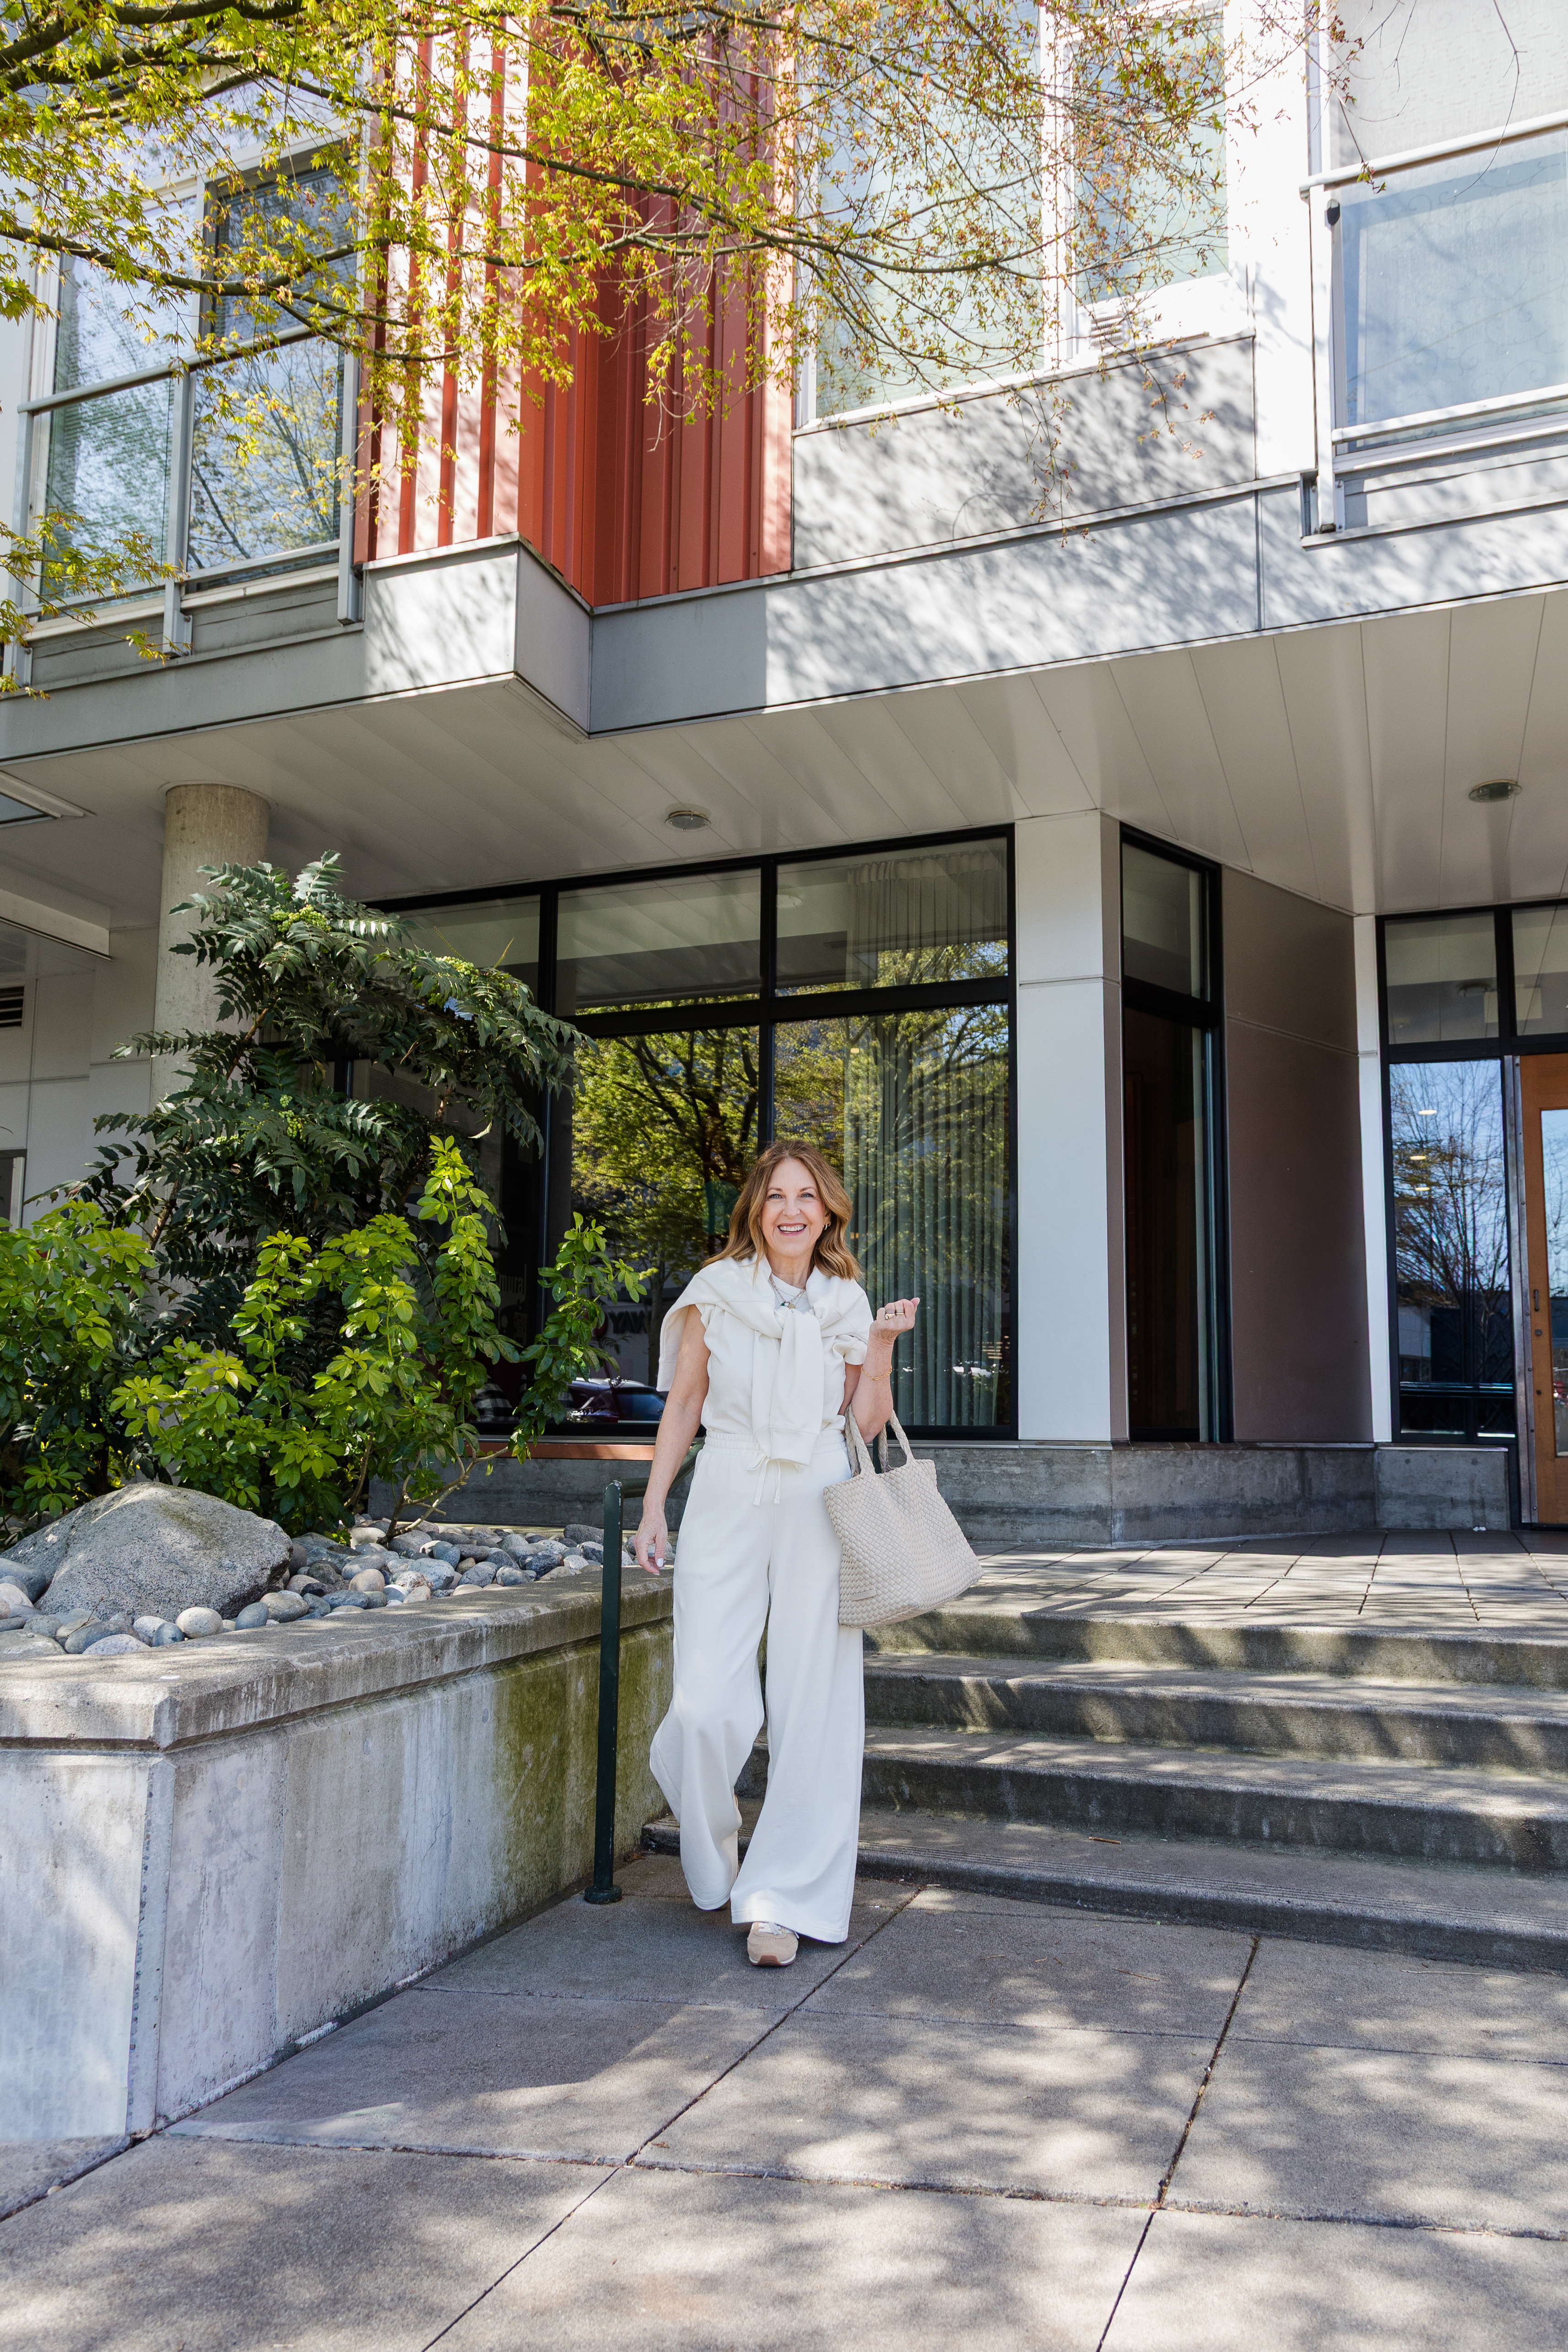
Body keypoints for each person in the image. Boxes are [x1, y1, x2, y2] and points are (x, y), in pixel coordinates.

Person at [633, 1140, 918, 1968]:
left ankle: (783, 1899)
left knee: (814, 1702)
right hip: (726, 1491)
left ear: (827, 1211)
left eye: (806, 1196)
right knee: (703, 1706)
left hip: (816, 1498)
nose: (791, 1210)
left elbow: (861, 1425)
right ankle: (710, 1834)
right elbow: (684, 1402)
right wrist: (655, 1505)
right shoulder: (715, 1293)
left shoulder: (845, 1302)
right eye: (775, 1196)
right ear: (754, 1210)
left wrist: (883, 1346)